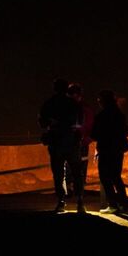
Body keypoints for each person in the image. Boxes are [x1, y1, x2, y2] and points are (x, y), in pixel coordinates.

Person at [39, 78, 83, 213]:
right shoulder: (73, 104)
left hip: (56, 142)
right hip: (71, 141)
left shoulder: (49, 104)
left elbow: (42, 122)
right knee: (76, 172)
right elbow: (80, 122)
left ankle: (61, 201)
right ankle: (80, 202)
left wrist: (54, 124)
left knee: (58, 174)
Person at [91, 90, 128, 213]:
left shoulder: (101, 116)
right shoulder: (119, 114)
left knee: (105, 177)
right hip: (118, 148)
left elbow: (94, 134)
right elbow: (125, 132)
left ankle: (112, 205)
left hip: (105, 149)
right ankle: (123, 204)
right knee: (116, 177)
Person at [64, 83, 94, 210]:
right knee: (80, 171)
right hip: (81, 143)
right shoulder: (86, 109)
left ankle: (67, 194)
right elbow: (91, 127)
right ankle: (79, 198)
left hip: (69, 143)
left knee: (68, 169)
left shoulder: (64, 108)